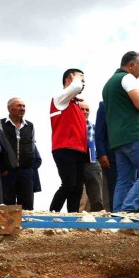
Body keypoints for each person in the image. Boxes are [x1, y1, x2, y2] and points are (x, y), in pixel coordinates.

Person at [102, 51, 139, 212]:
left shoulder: (108, 84)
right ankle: (127, 209)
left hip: (118, 139)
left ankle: (118, 215)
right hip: (135, 135)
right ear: (131, 65)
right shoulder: (127, 78)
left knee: (124, 180)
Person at [49, 68, 87, 213]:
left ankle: (73, 216)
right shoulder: (59, 98)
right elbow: (76, 86)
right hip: (64, 148)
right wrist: (76, 77)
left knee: (78, 186)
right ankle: (53, 213)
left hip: (79, 149)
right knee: (68, 184)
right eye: (81, 79)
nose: (83, 84)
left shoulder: (75, 104)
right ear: (69, 80)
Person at [1, 97, 36, 209]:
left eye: (23, 106)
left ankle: (26, 226)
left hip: (26, 170)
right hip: (7, 170)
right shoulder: (1, 124)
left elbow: (32, 146)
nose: (22, 108)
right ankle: (6, 226)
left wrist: (31, 166)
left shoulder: (29, 126)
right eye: (19, 106)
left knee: (27, 202)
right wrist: (2, 167)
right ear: (9, 108)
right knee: (7, 202)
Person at [78, 101, 104, 212]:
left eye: (87, 109)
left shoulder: (94, 126)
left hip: (93, 160)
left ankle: (97, 217)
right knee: (80, 194)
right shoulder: (72, 125)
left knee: (96, 191)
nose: (85, 112)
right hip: (77, 160)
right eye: (82, 109)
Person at [95, 101, 116, 211]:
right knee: (113, 188)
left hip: (133, 153)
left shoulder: (137, 103)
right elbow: (99, 132)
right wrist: (102, 153)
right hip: (112, 155)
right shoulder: (105, 105)